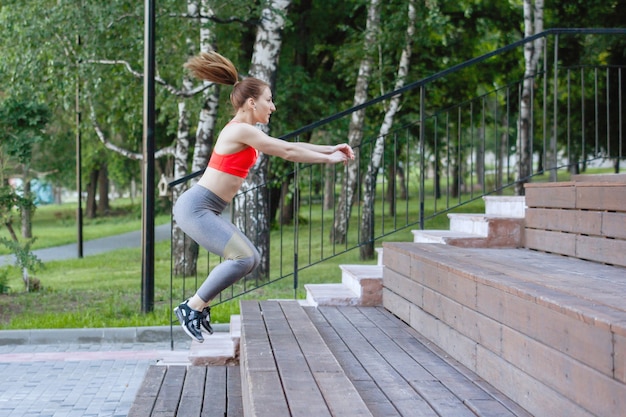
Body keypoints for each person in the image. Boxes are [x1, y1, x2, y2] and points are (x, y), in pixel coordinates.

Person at [173, 51, 355, 342]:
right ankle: (191, 307)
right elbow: (288, 152)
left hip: (208, 208)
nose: (273, 106)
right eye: (269, 100)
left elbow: (289, 145)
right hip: (196, 208)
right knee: (243, 258)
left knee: (251, 259)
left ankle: (199, 306)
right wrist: (329, 158)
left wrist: (330, 148)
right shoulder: (241, 130)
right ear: (251, 102)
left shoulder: (249, 132)